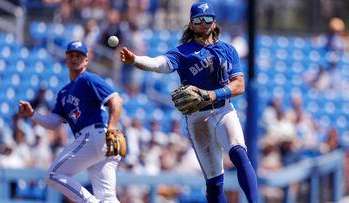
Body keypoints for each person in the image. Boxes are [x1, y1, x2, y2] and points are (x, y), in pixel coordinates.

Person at [120, 1, 259, 202]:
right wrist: (136, 60)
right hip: (197, 117)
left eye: (207, 19)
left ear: (215, 22)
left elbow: (239, 86)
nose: (203, 23)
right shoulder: (182, 52)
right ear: (191, 24)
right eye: (198, 20)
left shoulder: (228, 49)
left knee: (239, 153)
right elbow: (159, 64)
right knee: (214, 181)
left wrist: (212, 95)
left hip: (223, 111)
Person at [18, 41, 123, 203]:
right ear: (66, 58)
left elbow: (116, 99)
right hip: (98, 142)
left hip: (95, 135)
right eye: (71, 55)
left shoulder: (88, 79)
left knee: (53, 175)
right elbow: (54, 122)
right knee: (108, 198)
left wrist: (112, 128)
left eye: (79, 55)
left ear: (87, 60)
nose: (75, 58)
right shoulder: (64, 92)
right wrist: (33, 115)